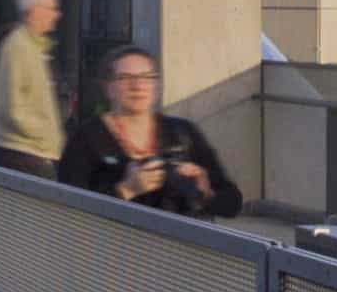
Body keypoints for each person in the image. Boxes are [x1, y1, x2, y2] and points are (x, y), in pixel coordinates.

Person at [58, 45, 244, 217]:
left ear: (156, 85)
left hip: (178, 247)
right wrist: (126, 190)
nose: (137, 86)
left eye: (147, 77)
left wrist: (206, 193)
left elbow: (233, 204)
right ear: (108, 88)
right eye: (125, 78)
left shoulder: (183, 133)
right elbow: (68, 209)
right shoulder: (86, 139)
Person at [0, 0, 65, 180]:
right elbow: (12, 109)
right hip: (27, 154)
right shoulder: (17, 47)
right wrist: (45, 132)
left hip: (35, 152)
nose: (57, 15)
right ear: (34, 12)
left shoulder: (35, 47)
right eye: (52, 8)